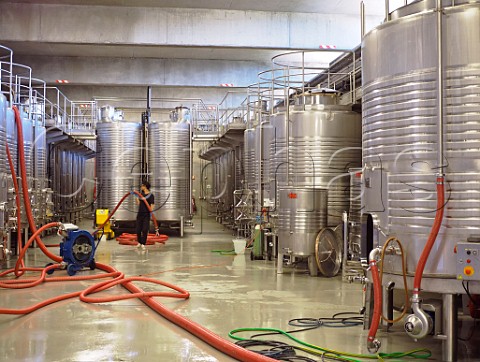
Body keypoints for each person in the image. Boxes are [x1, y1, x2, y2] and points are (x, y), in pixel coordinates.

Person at [135, 180, 155, 249]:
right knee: (138, 230)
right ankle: (139, 242)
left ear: (145, 186)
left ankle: (143, 243)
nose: (141, 186)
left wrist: (150, 213)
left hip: (146, 215)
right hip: (140, 214)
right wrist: (137, 198)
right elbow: (138, 204)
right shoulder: (141, 194)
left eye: (142, 185)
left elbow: (152, 205)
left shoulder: (151, 195)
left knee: (145, 229)